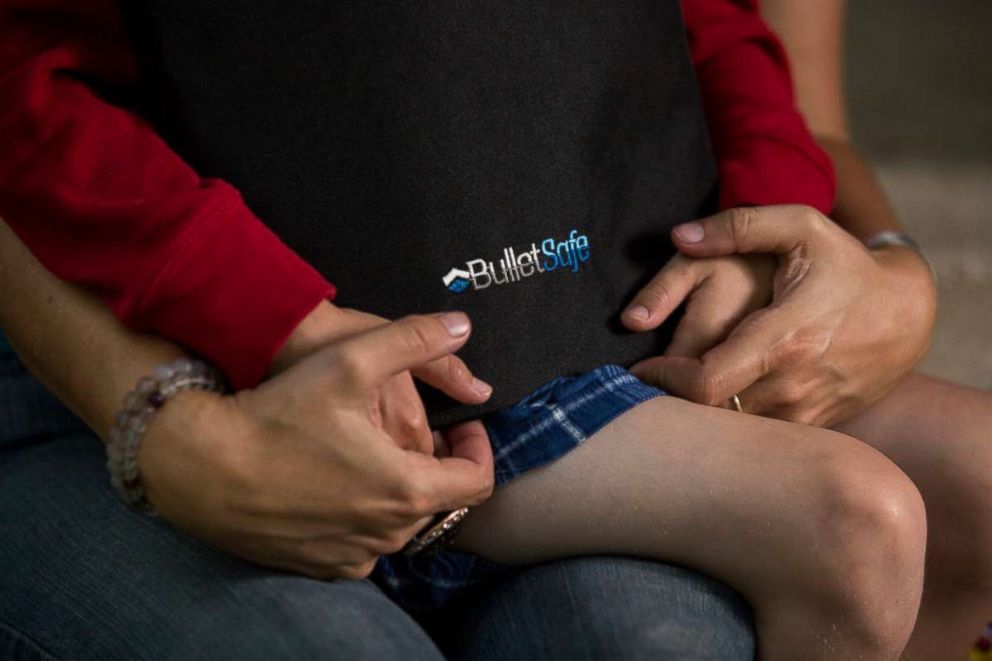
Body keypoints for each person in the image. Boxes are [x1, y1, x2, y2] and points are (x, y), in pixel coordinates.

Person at [0, 1, 989, 659]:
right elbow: (29, 88)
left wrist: (768, 229)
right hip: (310, 360)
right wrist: (263, 311)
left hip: (614, 301)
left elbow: (708, 31)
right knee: (858, 521)